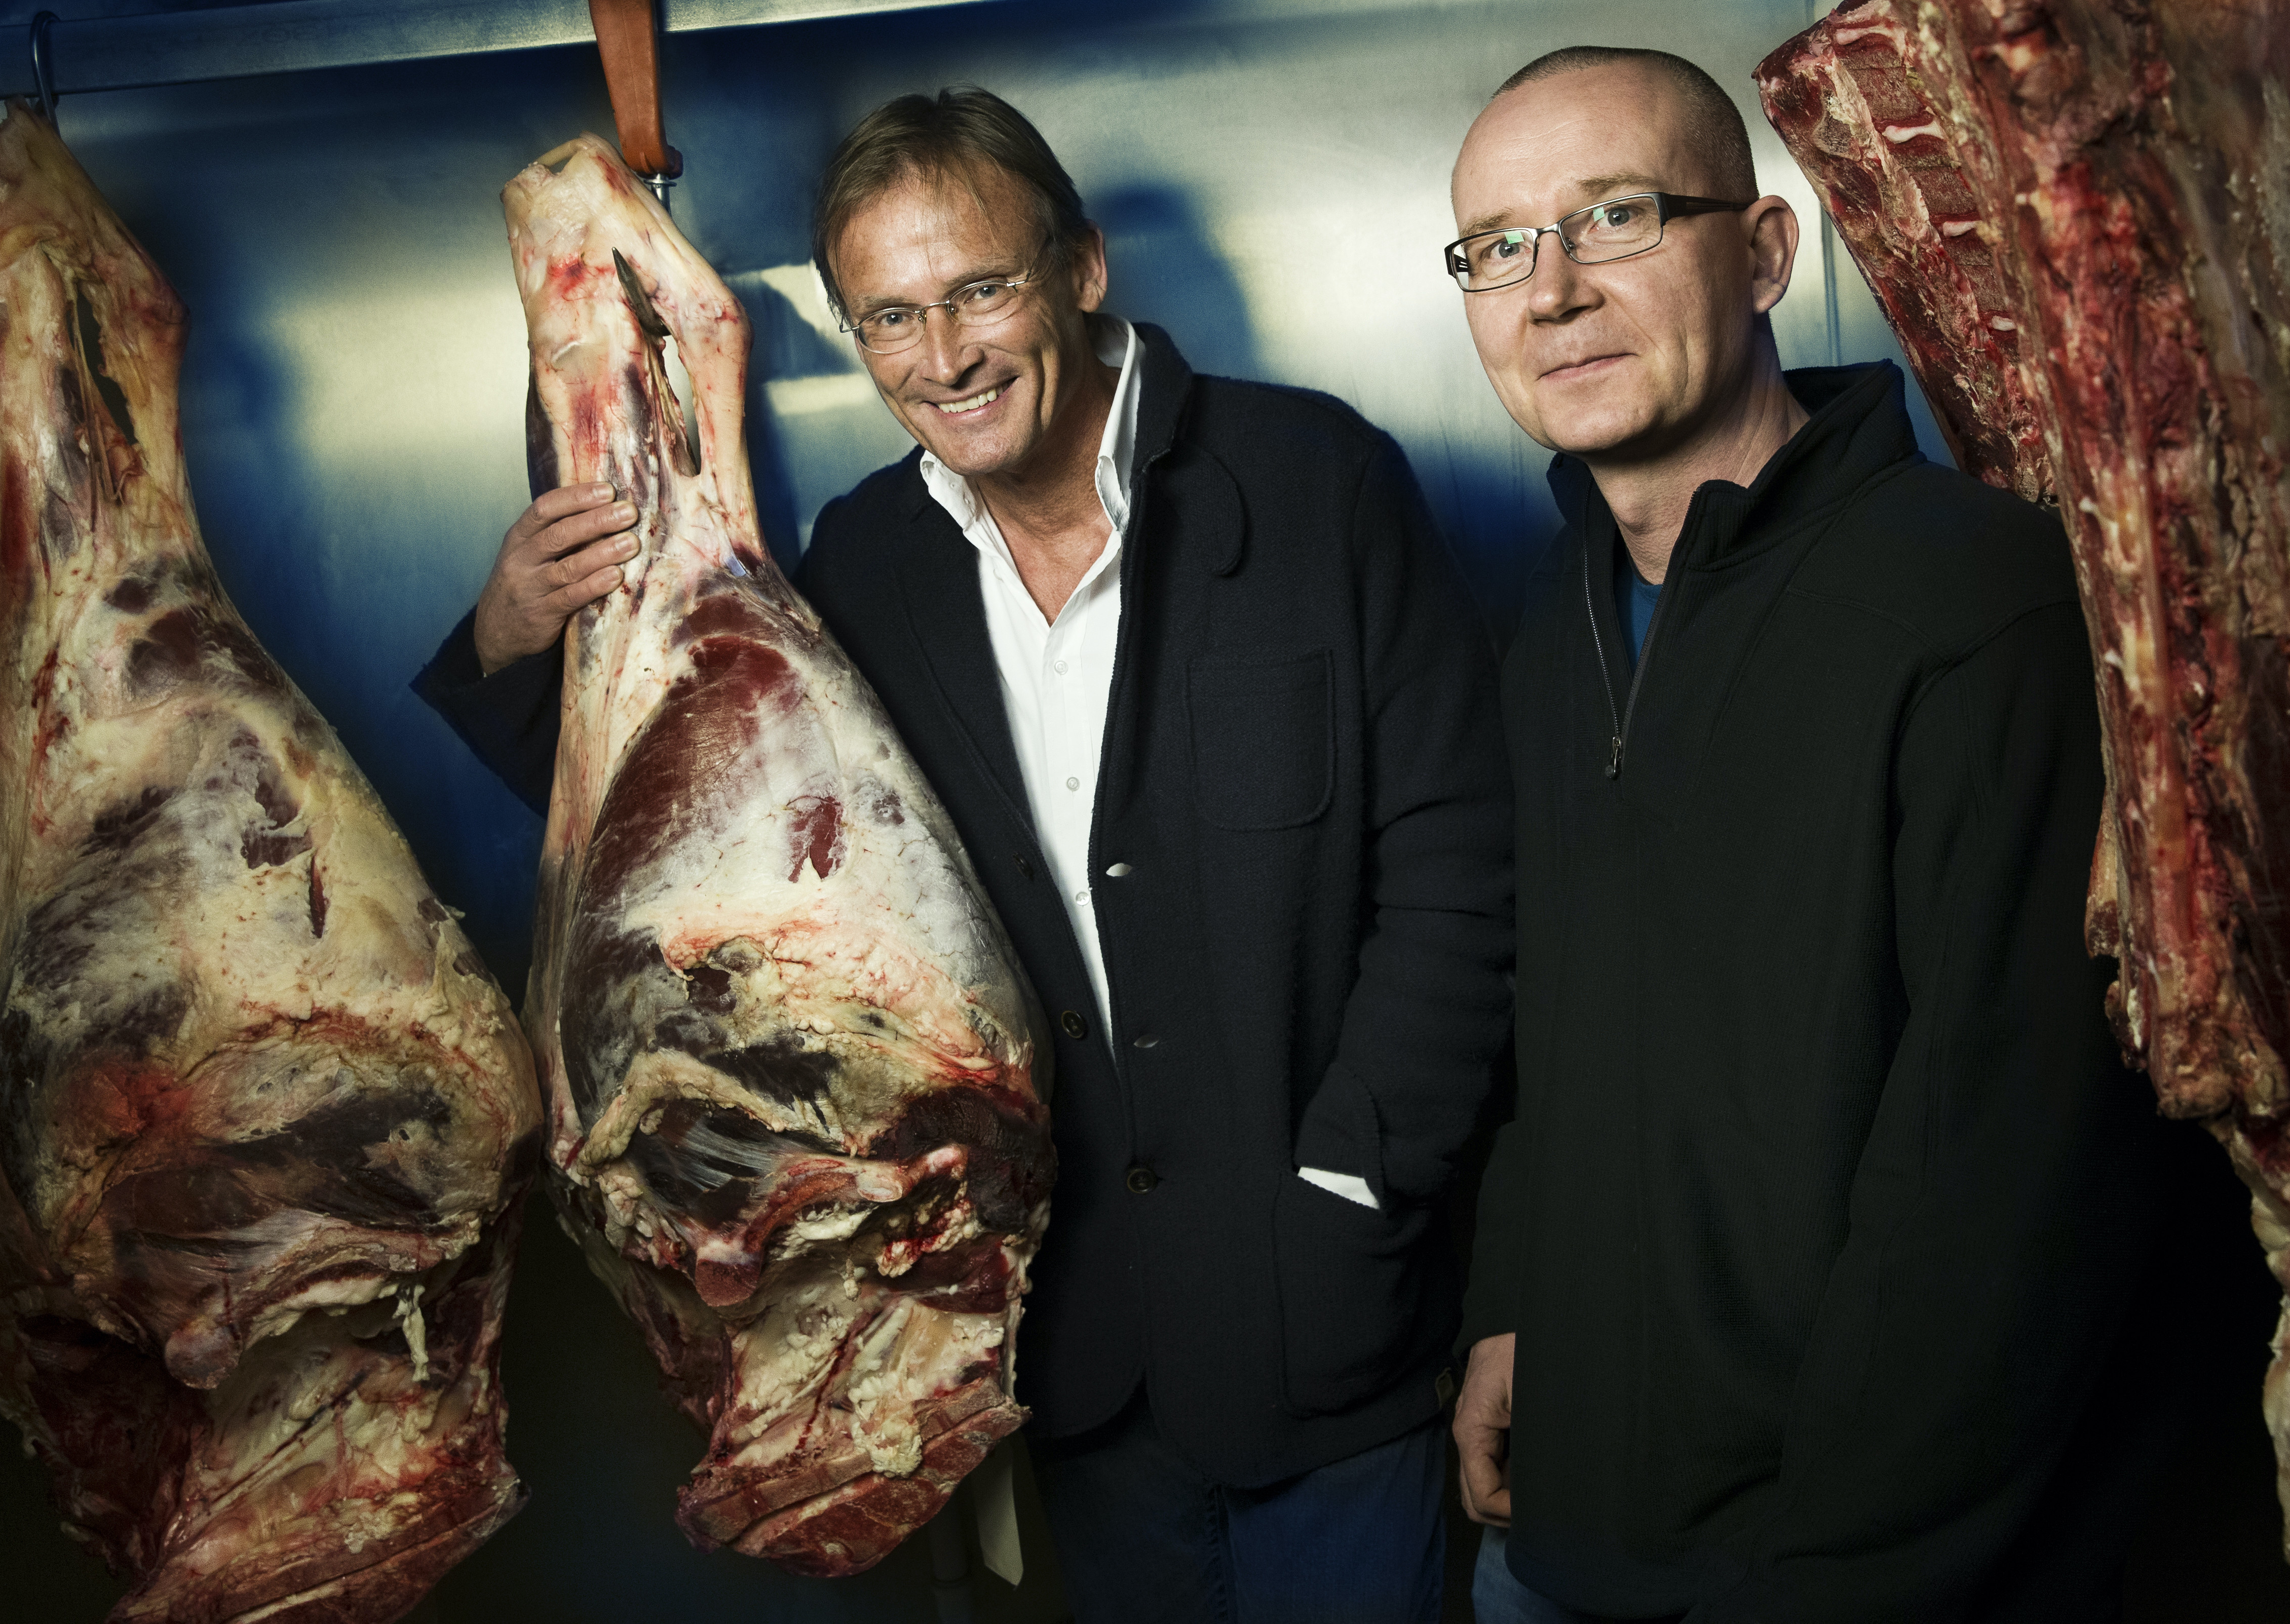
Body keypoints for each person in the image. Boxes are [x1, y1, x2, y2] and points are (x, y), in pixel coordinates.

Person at [415, 87, 1514, 1622]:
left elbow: (1460, 880)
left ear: (1081, 267)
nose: (943, 358)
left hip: (1331, 1323)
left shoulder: (1314, 483)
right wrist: (510, 641)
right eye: (889, 318)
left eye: (980, 290)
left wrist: (1357, 1184)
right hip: (1069, 1350)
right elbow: (706, 839)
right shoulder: (870, 561)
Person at [1442, 44, 2167, 1622]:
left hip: (1832, 1562)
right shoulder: (1551, 623)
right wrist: (1512, 1303)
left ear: (1764, 253)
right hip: (1567, 1529)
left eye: (1614, 216)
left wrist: (1831, 1577)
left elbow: (2006, 1177)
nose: (1551, 291)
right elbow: (1554, 1032)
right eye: (1496, 247)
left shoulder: (1973, 601)